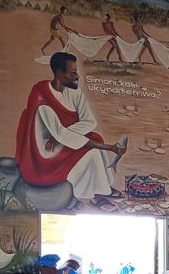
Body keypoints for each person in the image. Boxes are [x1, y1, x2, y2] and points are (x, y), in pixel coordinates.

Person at [15, 53, 126, 210]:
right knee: (94, 151)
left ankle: (104, 187)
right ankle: (94, 195)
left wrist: (61, 134)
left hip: (61, 141)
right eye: (73, 72)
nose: (77, 76)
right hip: (45, 152)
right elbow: (61, 135)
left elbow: (89, 122)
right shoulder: (42, 97)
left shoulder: (74, 91)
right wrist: (111, 148)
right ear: (60, 74)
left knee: (97, 138)